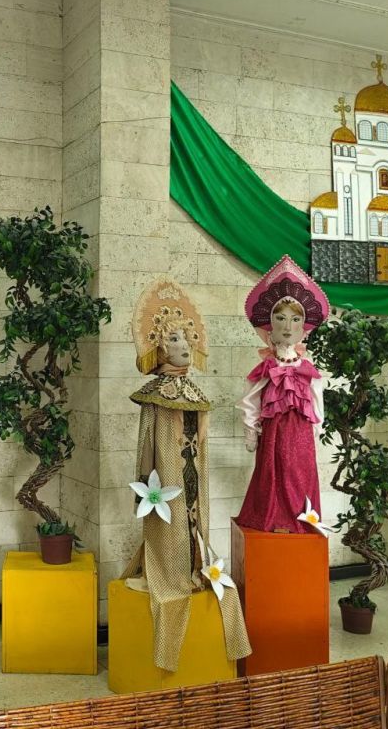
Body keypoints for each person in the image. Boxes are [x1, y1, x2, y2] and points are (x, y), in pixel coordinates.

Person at [123, 278, 251, 672]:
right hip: (166, 477)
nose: (185, 346)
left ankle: (194, 565)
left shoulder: (194, 392)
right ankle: (168, 570)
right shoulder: (155, 395)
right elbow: (147, 443)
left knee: (194, 519)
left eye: (187, 339)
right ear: (161, 348)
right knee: (172, 521)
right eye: (175, 339)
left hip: (194, 473)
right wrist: (145, 487)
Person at [237, 255, 329, 534]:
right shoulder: (267, 368)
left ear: (303, 327)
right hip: (274, 432)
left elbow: (317, 401)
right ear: (270, 325)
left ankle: (301, 518)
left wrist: (316, 429)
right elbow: (251, 399)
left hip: (301, 434)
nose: (287, 327)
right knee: (272, 473)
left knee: (300, 472)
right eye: (280, 319)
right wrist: (251, 431)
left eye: (295, 319)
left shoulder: (307, 369)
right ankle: (274, 518)